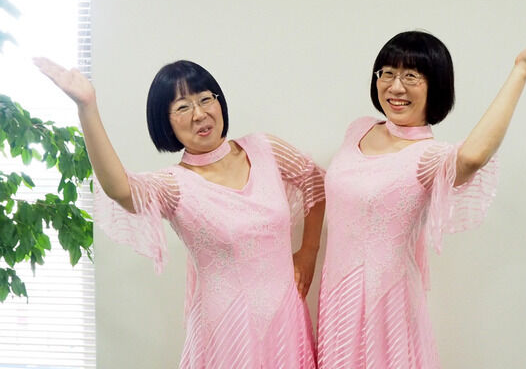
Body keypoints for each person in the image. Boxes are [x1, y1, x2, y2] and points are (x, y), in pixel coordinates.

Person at [317, 16, 526, 369]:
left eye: (411, 77)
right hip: (337, 297)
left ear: (436, 85)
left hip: (386, 305)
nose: (396, 87)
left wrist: (522, 68)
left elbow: (473, 156)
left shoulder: (428, 157)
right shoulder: (359, 129)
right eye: (387, 73)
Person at [34, 58, 325, 368]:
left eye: (205, 99)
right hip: (226, 335)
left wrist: (308, 252)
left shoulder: (265, 149)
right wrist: (87, 108)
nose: (199, 114)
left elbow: (314, 180)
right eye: (183, 107)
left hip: (286, 324)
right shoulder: (175, 186)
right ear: (166, 123)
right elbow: (120, 189)